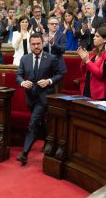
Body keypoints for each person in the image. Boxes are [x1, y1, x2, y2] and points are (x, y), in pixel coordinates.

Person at [16, 33, 65, 165]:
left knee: (33, 123)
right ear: (30, 45)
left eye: (38, 43)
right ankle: (47, 141)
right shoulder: (24, 59)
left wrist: (49, 81)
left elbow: (61, 73)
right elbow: (19, 75)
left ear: (43, 43)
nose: (36, 46)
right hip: (30, 97)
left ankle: (25, 154)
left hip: (44, 97)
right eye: (33, 44)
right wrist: (22, 83)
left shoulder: (51, 58)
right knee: (40, 122)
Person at [77, 27, 106, 100]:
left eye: (97, 36)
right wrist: (83, 61)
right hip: (86, 86)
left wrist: (87, 61)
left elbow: (100, 74)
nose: (94, 38)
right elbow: (83, 71)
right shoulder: (93, 51)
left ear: (105, 39)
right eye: (94, 36)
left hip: (98, 90)